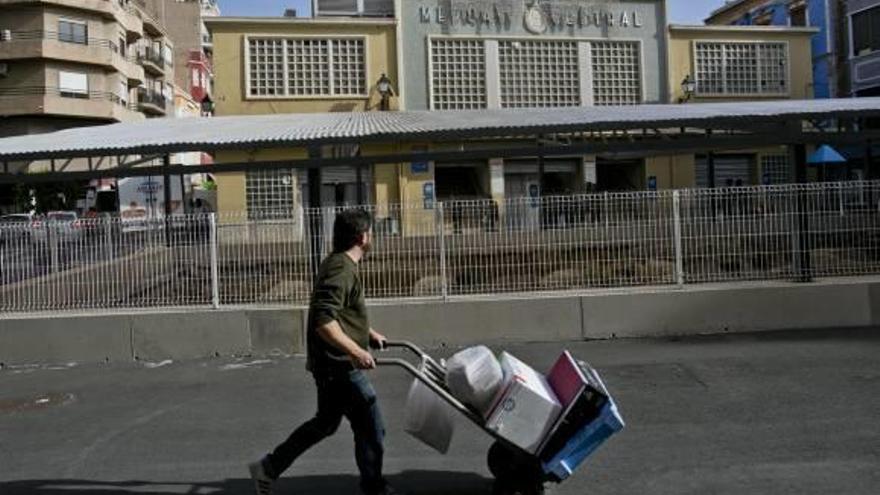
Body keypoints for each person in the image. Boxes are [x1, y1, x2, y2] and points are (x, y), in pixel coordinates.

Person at [249, 209, 398, 495]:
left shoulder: (338, 263)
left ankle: (268, 467)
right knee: (371, 425)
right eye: (372, 232)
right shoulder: (342, 269)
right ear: (363, 237)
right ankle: (373, 486)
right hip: (338, 366)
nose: (373, 236)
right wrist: (357, 351)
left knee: (325, 424)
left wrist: (369, 334)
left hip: (331, 365)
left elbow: (338, 314)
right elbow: (324, 322)